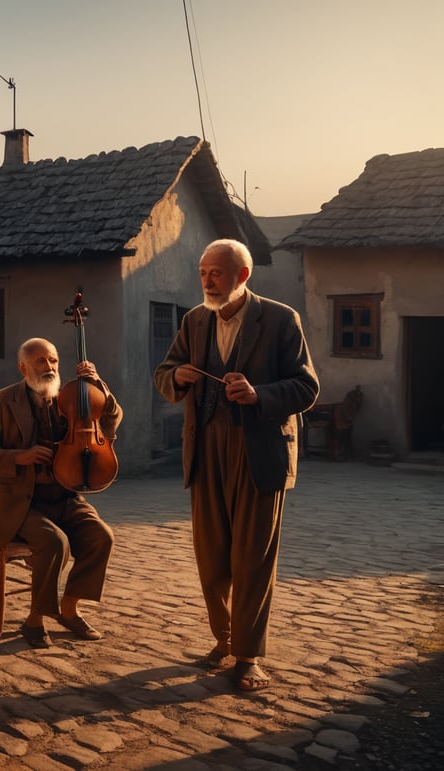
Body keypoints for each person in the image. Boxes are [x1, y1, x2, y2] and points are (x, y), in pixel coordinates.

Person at [153, 238, 319, 692]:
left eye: (217, 273)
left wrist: (259, 394)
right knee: (212, 558)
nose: (207, 281)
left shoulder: (281, 319)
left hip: (259, 451)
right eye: (203, 272)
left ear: (242, 276)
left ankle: (248, 656)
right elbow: (164, 372)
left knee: (252, 558)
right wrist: (177, 376)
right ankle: (223, 639)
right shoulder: (194, 320)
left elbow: (306, 388)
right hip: (206, 448)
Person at [0, 337, 121, 649]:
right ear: (24, 367)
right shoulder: (0, 401)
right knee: (54, 542)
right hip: (18, 502)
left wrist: (100, 387)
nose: (49, 367)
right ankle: (34, 620)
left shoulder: (70, 398)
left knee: (100, 537)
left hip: (65, 495)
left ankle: (69, 608)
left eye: (53, 361)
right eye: (41, 361)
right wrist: (19, 457)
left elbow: (110, 420)